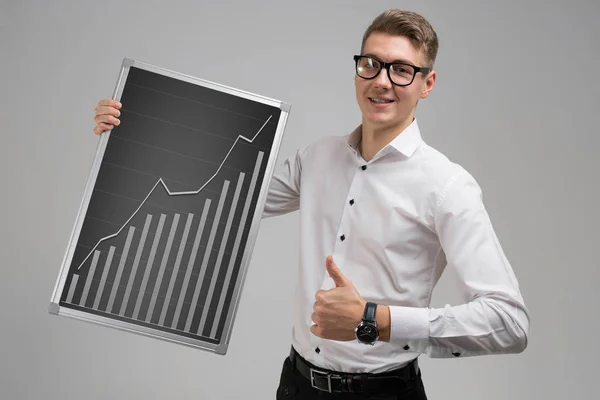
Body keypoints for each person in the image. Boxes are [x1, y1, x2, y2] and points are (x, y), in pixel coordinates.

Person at [92, 9, 530, 400]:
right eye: (371, 64)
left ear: (427, 83)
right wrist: (134, 131)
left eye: (401, 70)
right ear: (357, 70)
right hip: (296, 386)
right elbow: (220, 187)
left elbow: (509, 322)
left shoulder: (447, 186)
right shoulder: (316, 158)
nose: (381, 80)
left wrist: (374, 320)